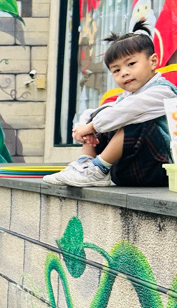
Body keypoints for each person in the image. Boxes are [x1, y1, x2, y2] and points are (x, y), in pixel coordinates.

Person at [45, 21, 175, 188]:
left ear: (153, 61)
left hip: (158, 168)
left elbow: (130, 110)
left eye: (131, 64)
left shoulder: (163, 92)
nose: (124, 73)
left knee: (133, 119)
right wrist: (84, 126)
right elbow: (99, 113)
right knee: (103, 114)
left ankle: (98, 169)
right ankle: (85, 164)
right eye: (116, 70)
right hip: (126, 170)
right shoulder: (126, 98)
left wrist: (92, 126)